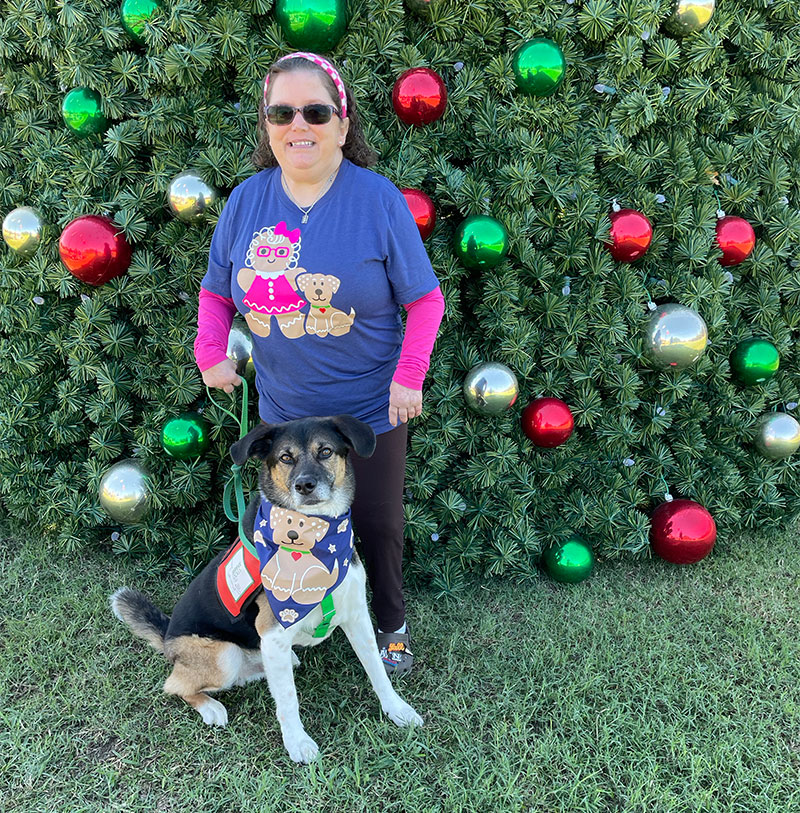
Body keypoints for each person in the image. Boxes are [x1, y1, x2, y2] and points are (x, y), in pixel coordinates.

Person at [194, 51, 445, 675]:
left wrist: (409, 374)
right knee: (286, 526)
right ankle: (291, 617)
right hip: (284, 413)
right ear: (267, 123)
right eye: (282, 112)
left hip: (367, 411)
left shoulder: (377, 200)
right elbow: (217, 291)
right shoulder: (247, 202)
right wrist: (209, 352)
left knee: (377, 523)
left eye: (314, 111)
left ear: (342, 121)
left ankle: (391, 626)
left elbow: (426, 300)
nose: (297, 124)